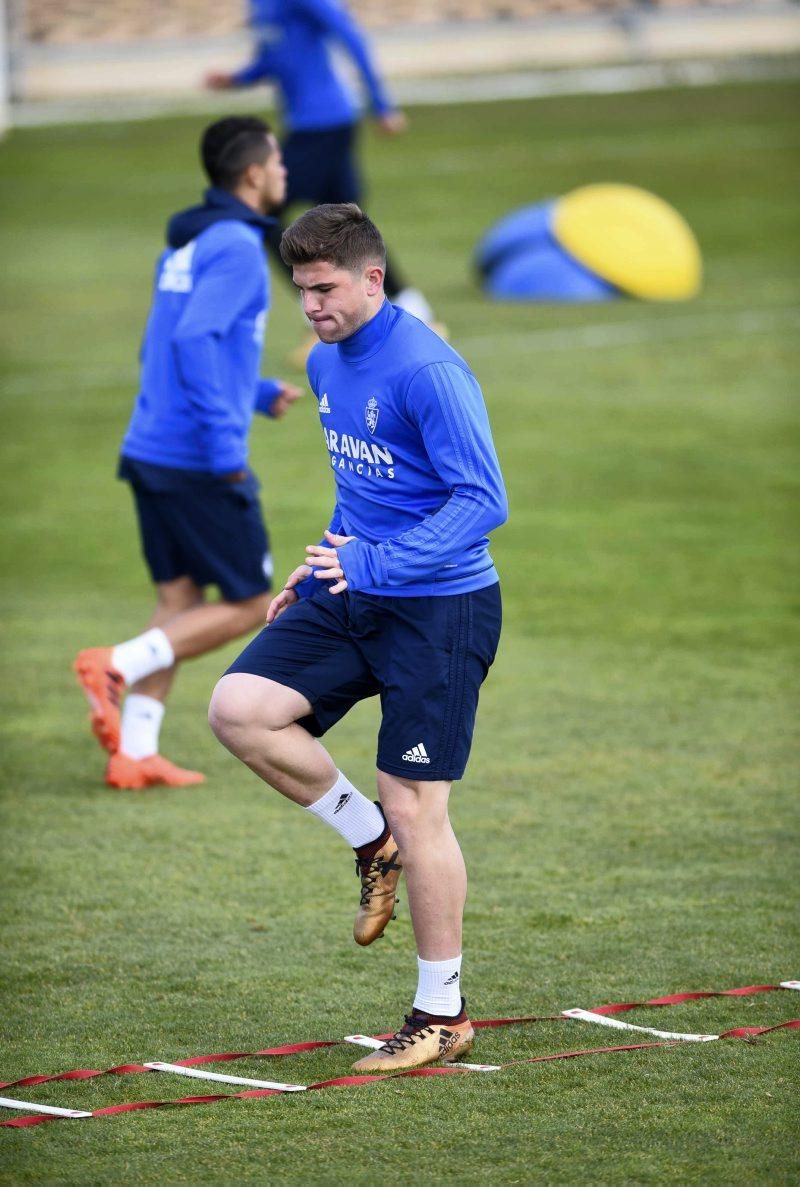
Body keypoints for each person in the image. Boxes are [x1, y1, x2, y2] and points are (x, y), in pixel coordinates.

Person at [208, 203, 507, 1071]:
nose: (310, 306)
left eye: (325, 287)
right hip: (352, 583)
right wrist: (325, 558)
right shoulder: (325, 361)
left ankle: (440, 1012)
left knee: (419, 805)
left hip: (438, 607)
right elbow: (360, 482)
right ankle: (366, 838)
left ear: (373, 277)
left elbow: (483, 502)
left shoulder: (429, 371)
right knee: (241, 709)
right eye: (300, 290)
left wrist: (376, 560)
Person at [74, 116, 302, 791]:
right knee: (246, 600)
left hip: (149, 448)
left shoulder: (187, 244)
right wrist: (225, 440)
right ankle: (112, 661)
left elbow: (162, 346)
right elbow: (197, 338)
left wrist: (254, 391)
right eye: (279, 161)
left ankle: (135, 752)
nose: (285, 172)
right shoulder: (234, 246)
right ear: (255, 174)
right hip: (197, 456)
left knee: (178, 598)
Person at [205, 0, 442, 346]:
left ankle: (328, 313)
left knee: (260, 212)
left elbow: (351, 36)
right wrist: (238, 78)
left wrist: (381, 104)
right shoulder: (260, 6)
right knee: (348, 226)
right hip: (310, 126)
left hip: (325, 124)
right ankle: (413, 312)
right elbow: (277, 57)